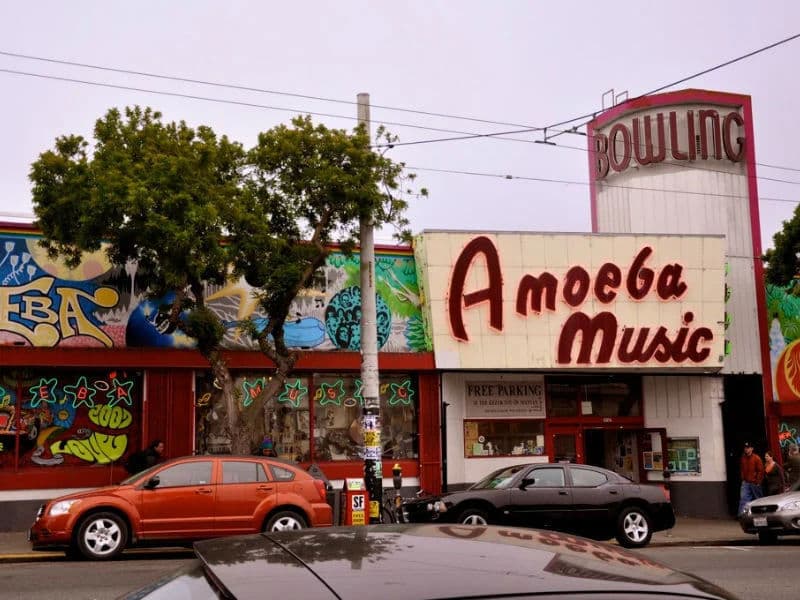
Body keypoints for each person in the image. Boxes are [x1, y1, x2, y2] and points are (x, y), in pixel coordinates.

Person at [738, 442, 764, 515]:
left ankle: (761, 514)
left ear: (752, 449)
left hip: (754, 482)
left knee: (758, 499)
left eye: (748, 448)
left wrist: (758, 481)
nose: (746, 449)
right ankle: (742, 515)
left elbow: (761, 470)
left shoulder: (756, 458)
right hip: (746, 482)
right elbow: (742, 469)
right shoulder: (743, 458)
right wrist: (743, 478)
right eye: (745, 448)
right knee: (744, 499)